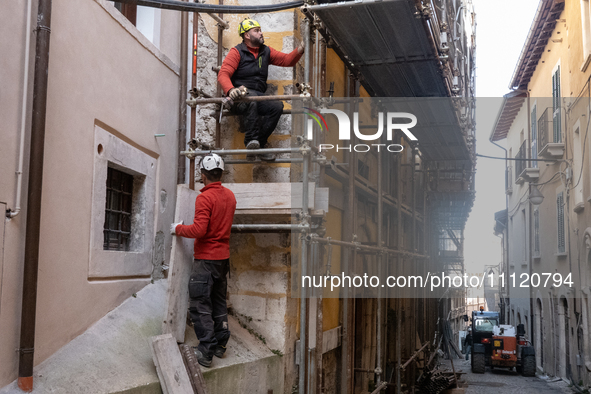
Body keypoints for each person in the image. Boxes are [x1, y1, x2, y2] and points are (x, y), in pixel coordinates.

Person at [170, 153, 237, 367]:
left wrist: (178, 229)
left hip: (206, 260)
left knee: (200, 304)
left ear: (203, 175)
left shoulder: (205, 197)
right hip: (222, 259)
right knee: (218, 302)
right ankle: (220, 344)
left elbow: (200, 229)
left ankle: (206, 350)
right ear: (221, 174)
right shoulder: (230, 196)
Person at [218, 18, 304, 161]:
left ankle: (259, 144)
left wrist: (301, 48)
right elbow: (223, 74)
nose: (261, 33)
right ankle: (251, 142)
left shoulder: (266, 51)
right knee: (251, 99)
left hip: (257, 95)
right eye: (256, 31)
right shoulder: (237, 52)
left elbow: (287, 60)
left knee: (277, 106)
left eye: (260, 30)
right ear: (247, 35)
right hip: (239, 97)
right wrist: (230, 89)